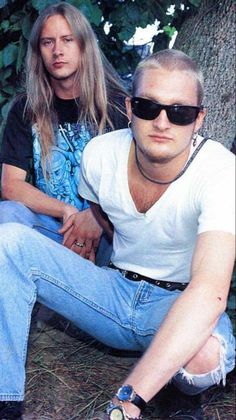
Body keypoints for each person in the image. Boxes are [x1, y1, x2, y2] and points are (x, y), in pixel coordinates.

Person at [0, 49, 235, 420]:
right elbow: (103, 220)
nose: (161, 122)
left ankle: (175, 386)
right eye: (147, 107)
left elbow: (209, 293)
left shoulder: (221, 172)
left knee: (206, 357)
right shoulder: (99, 154)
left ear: (199, 119)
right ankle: (5, 400)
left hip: (175, 304)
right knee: (7, 241)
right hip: (113, 294)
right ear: (128, 108)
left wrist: (126, 402)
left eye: (180, 112)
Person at [0, 2, 128, 263]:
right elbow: (10, 185)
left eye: (67, 40)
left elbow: (140, 185)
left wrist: (96, 216)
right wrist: (66, 211)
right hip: (55, 229)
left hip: (107, 233)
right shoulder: (26, 109)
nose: (57, 51)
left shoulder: (118, 107)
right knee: (8, 214)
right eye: (48, 42)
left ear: (83, 45)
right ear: (39, 52)